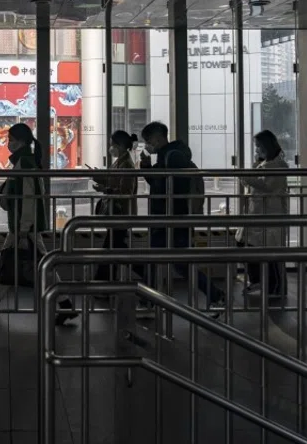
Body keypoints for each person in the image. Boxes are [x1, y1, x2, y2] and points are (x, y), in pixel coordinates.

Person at [0, 123, 77, 324]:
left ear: (23, 141)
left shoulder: (24, 163)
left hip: (24, 226)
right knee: (19, 262)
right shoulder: (24, 161)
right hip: (23, 225)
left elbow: (28, 197)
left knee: (21, 262)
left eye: (12, 140)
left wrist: (24, 228)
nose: (9, 144)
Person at [140, 121, 226, 313]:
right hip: (169, 217)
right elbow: (160, 183)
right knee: (175, 262)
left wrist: (151, 172)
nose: (147, 144)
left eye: (148, 140)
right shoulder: (167, 156)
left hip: (171, 218)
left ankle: (148, 301)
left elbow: (170, 188)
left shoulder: (174, 156)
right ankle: (213, 293)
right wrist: (147, 168)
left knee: (167, 261)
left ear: (157, 137)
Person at [237, 130, 289, 297]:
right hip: (257, 211)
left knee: (269, 252)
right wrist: (250, 173)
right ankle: (257, 280)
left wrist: (247, 175)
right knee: (248, 246)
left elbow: (267, 185)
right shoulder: (262, 164)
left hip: (270, 213)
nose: (257, 149)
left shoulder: (278, 165)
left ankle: (274, 288)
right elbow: (252, 183)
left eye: (259, 146)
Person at [92, 130, 140, 282]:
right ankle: (104, 282)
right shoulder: (121, 161)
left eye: (112, 145)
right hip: (117, 214)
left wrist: (104, 189)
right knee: (114, 249)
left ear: (119, 146)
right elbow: (113, 180)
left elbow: (125, 191)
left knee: (112, 250)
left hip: (120, 213)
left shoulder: (127, 164)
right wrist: (101, 179)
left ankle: (147, 272)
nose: (110, 148)